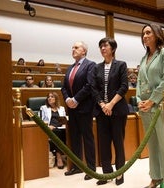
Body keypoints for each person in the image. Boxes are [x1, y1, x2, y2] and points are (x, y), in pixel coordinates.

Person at [136, 23, 164, 188]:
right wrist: (139, 99)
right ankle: (156, 177)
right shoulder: (143, 58)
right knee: (152, 145)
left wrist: (151, 101)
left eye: (148, 32)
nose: (145, 36)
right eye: (143, 34)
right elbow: (139, 82)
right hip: (146, 108)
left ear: (157, 34)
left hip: (162, 106)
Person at [91, 37, 128, 186]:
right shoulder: (96, 67)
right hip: (101, 112)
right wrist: (102, 104)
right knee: (104, 144)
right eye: (100, 46)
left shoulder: (121, 65)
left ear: (112, 49)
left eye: (105, 46)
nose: (102, 49)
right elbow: (94, 88)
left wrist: (111, 104)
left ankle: (119, 173)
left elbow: (124, 86)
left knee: (118, 143)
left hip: (117, 110)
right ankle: (106, 174)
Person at [61, 41, 96, 180]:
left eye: (76, 47)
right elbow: (63, 87)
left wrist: (75, 99)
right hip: (72, 109)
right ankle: (77, 167)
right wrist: (67, 100)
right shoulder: (70, 68)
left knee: (87, 138)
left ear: (84, 51)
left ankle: (91, 169)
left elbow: (89, 85)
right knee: (74, 138)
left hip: (84, 108)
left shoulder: (90, 65)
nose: (73, 49)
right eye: (72, 48)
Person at [40, 92, 66, 169]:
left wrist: (62, 125)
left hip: (60, 128)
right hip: (49, 129)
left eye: (52, 96)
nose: (49, 98)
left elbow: (63, 121)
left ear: (56, 98)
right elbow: (41, 121)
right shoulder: (43, 108)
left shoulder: (61, 108)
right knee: (57, 132)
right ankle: (59, 157)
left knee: (64, 132)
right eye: (48, 97)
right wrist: (48, 126)